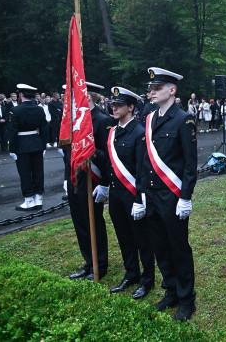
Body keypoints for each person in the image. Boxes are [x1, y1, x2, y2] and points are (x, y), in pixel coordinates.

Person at [137, 67, 197, 321]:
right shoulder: (150, 118)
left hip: (172, 196)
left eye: (157, 88)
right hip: (151, 194)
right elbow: (144, 161)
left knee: (178, 247)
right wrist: (141, 193)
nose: (151, 92)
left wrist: (185, 196)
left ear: (171, 90)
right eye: (151, 88)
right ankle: (170, 290)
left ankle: (186, 299)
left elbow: (190, 164)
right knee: (159, 245)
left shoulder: (184, 120)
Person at [105, 87, 155, 300]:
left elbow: (143, 170)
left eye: (119, 105)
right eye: (113, 104)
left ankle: (147, 280)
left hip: (133, 194)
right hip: (116, 194)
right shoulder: (113, 131)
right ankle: (131, 273)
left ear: (131, 107)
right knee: (123, 236)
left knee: (142, 239)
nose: (114, 108)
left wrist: (139, 199)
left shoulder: (139, 132)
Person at [67, 82, 114, 281]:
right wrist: (66, 177)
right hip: (76, 178)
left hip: (93, 180)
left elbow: (108, 156)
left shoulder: (102, 120)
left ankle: (99, 263)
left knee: (93, 222)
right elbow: (69, 152)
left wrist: (105, 184)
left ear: (89, 95)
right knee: (79, 221)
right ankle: (88, 262)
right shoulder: (75, 120)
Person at [8, 84, 47, 211]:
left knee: (25, 173)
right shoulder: (39, 109)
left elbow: (12, 131)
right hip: (36, 142)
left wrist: (12, 149)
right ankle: (38, 199)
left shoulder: (16, 110)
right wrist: (44, 145)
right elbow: (43, 129)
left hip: (22, 144)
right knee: (38, 171)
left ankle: (29, 200)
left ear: (21, 95)